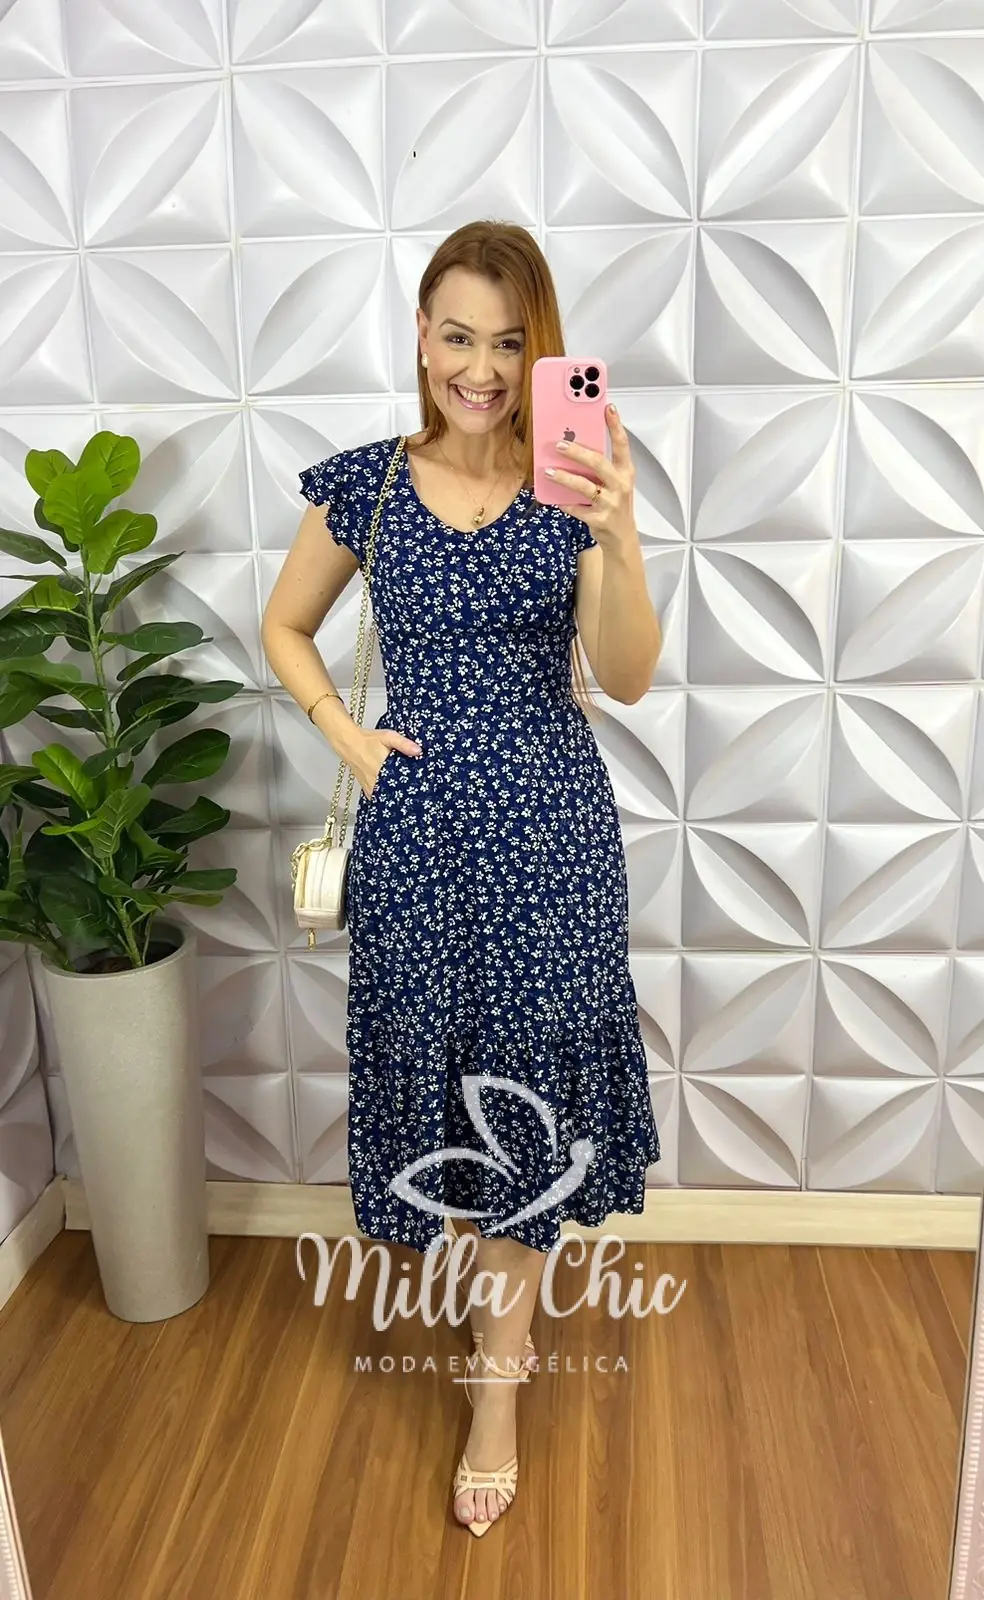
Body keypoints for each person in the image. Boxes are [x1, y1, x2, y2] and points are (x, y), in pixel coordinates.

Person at [261, 218, 662, 1536]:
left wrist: (619, 534)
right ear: (422, 336)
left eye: (507, 342)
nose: (479, 369)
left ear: (541, 350)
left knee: (527, 1106)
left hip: (551, 843)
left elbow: (628, 676)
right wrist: (343, 733)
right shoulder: (369, 486)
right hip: (418, 841)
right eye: (455, 337)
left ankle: (499, 1386)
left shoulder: (574, 484)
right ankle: (493, 1322)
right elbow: (285, 625)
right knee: (446, 1091)